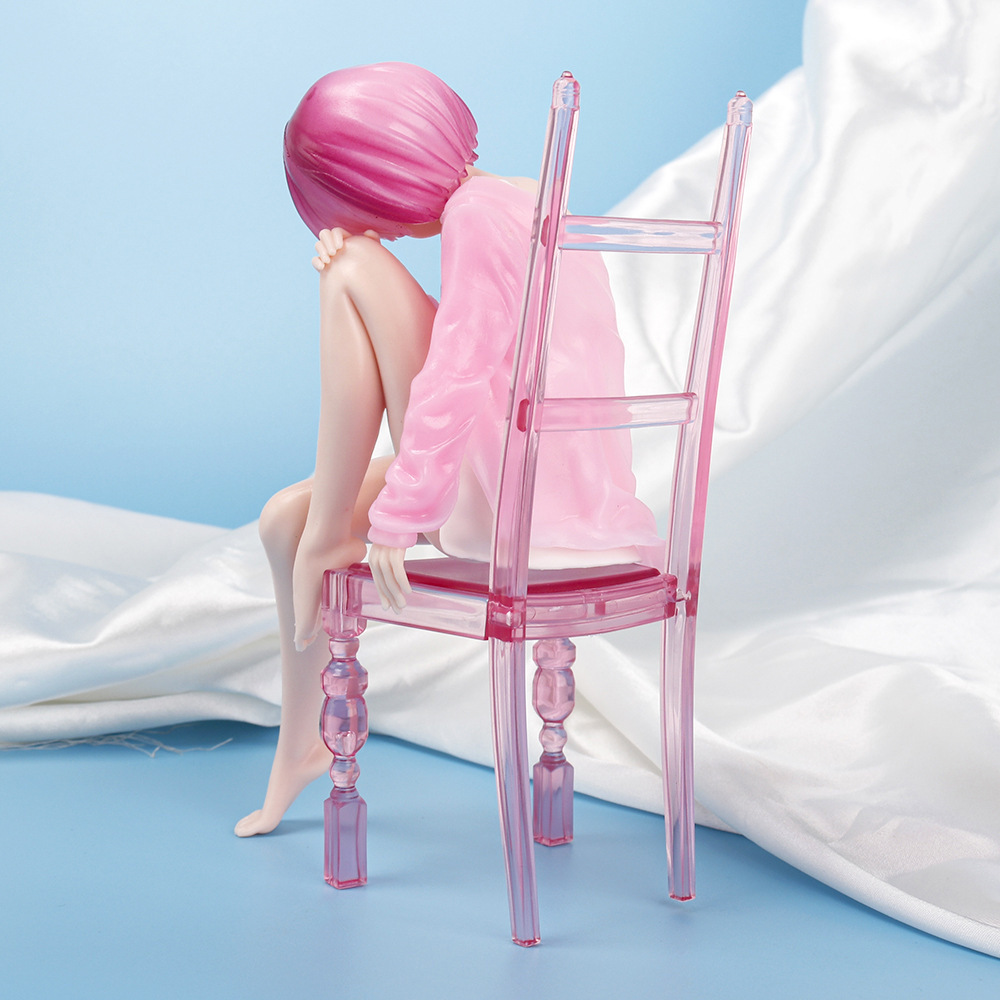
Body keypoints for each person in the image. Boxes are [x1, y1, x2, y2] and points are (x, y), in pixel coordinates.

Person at [235, 63, 659, 837]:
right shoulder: (516, 195)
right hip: (536, 478)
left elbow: (460, 368)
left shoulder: (475, 217)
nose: (388, 231)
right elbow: (485, 353)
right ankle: (299, 746)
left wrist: (400, 514)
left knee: (349, 270)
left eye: (369, 209)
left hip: (513, 501)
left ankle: (331, 534)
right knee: (281, 519)